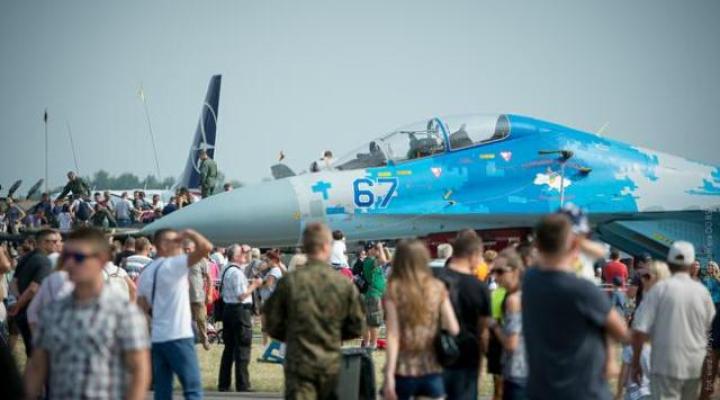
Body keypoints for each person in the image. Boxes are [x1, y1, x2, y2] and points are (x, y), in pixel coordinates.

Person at [23, 227, 150, 400]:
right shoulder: (53, 312)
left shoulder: (123, 313)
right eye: (66, 257)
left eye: (79, 258)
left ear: (101, 260)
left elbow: (139, 370)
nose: (69, 264)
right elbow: (37, 366)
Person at [523, 213, 630, 399]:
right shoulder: (583, 290)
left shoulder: (530, 279)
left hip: (541, 388)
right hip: (582, 389)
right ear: (574, 244)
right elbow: (621, 332)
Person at [263, 222, 365, 399]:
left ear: (304, 247)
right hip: (331, 364)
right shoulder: (341, 284)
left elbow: (271, 323)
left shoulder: (290, 282)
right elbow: (357, 326)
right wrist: (332, 334)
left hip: (299, 363)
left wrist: (293, 335)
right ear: (327, 246)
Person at [631, 241, 715, 400]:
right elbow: (708, 328)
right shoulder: (702, 292)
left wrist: (636, 363)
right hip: (694, 365)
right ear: (691, 264)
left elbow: (640, 330)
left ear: (669, 262)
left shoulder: (658, 290)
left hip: (664, 364)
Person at [137, 228, 212, 400]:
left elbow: (141, 307)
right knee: (192, 389)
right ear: (163, 245)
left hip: (157, 337)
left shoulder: (147, 271)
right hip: (178, 335)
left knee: (162, 391)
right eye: (176, 241)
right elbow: (206, 247)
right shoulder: (174, 264)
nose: (180, 244)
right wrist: (190, 233)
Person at [383, 240, 460, 400]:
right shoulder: (437, 287)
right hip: (432, 368)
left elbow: (393, 335)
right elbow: (453, 328)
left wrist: (388, 374)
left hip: (403, 369)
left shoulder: (394, 289)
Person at [433, 232, 491, 400]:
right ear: (473, 255)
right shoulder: (480, 288)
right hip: (466, 359)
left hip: (433, 357)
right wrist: (480, 367)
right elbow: (483, 333)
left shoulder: (434, 279)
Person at [616, 260, 670, 400]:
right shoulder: (645, 303)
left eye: (646, 276)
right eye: (641, 276)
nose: (642, 280)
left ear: (659, 278)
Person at [217, 244, 262, 392]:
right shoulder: (236, 273)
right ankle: (243, 384)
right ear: (236, 256)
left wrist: (247, 251)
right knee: (242, 348)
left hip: (228, 310)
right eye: (242, 253)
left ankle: (223, 384)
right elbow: (241, 295)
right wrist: (254, 285)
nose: (244, 255)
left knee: (229, 348)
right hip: (239, 311)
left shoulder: (227, 269)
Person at [8, 229, 57, 356]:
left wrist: (18, 300)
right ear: (44, 243)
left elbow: (13, 282)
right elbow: (33, 288)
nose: (57, 244)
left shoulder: (27, 256)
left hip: (23, 312)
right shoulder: (44, 261)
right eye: (54, 241)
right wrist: (19, 305)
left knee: (31, 353)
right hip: (32, 313)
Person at [488, 249, 528, 400]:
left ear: (515, 271)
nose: (495, 277)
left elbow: (511, 344)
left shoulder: (513, 300)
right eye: (493, 271)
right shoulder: (532, 292)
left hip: (517, 372)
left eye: (500, 272)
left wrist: (494, 325)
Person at [184, 239, 211, 351]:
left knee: (201, 319)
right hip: (184, 297)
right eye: (185, 250)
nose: (186, 252)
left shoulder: (201, 260)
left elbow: (209, 278)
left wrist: (209, 293)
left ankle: (204, 339)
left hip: (198, 295)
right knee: (186, 320)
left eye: (188, 249)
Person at [362, 241, 388, 349]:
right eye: (374, 248)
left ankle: (369, 343)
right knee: (374, 321)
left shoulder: (372, 260)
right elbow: (383, 261)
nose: (376, 250)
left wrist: (383, 249)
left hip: (377, 294)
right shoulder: (369, 261)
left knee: (371, 320)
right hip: (374, 294)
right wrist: (380, 248)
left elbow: (387, 259)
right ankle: (372, 344)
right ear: (369, 251)